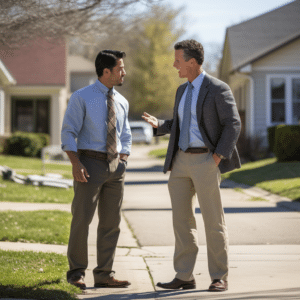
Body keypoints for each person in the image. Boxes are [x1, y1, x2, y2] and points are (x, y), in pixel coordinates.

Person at [142, 39, 241, 292]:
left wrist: (217, 157)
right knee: (182, 222)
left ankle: (219, 276)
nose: (175, 65)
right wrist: (160, 125)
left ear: (192, 62)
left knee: (213, 222)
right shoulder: (181, 90)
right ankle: (184, 275)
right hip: (180, 161)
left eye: (178, 61)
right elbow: (180, 124)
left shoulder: (218, 88)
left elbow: (233, 124)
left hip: (206, 160)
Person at [61, 50, 132, 290]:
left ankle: (104, 274)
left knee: (111, 222)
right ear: (106, 71)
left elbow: (125, 134)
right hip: (88, 164)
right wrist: (75, 163)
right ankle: (76, 272)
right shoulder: (81, 97)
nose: (124, 72)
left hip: (116, 167)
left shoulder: (122, 100)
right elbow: (68, 131)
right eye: (120, 68)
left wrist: (124, 158)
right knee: (82, 219)